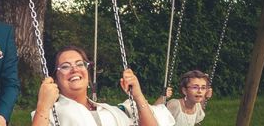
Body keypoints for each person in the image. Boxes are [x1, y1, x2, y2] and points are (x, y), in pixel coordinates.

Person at [32, 45, 175, 126]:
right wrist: (43, 106)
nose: (75, 69)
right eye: (65, 66)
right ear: (55, 79)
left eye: (80, 64)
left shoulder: (110, 110)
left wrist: (137, 95)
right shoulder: (49, 113)